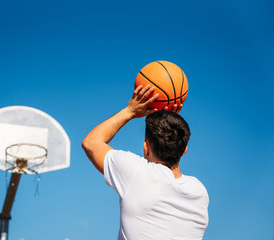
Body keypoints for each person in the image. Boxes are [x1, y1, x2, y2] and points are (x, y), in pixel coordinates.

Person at [82, 85, 209, 240]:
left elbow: (91, 142)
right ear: (184, 151)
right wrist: (168, 122)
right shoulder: (200, 192)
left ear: (146, 148)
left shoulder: (137, 173)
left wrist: (130, 111)